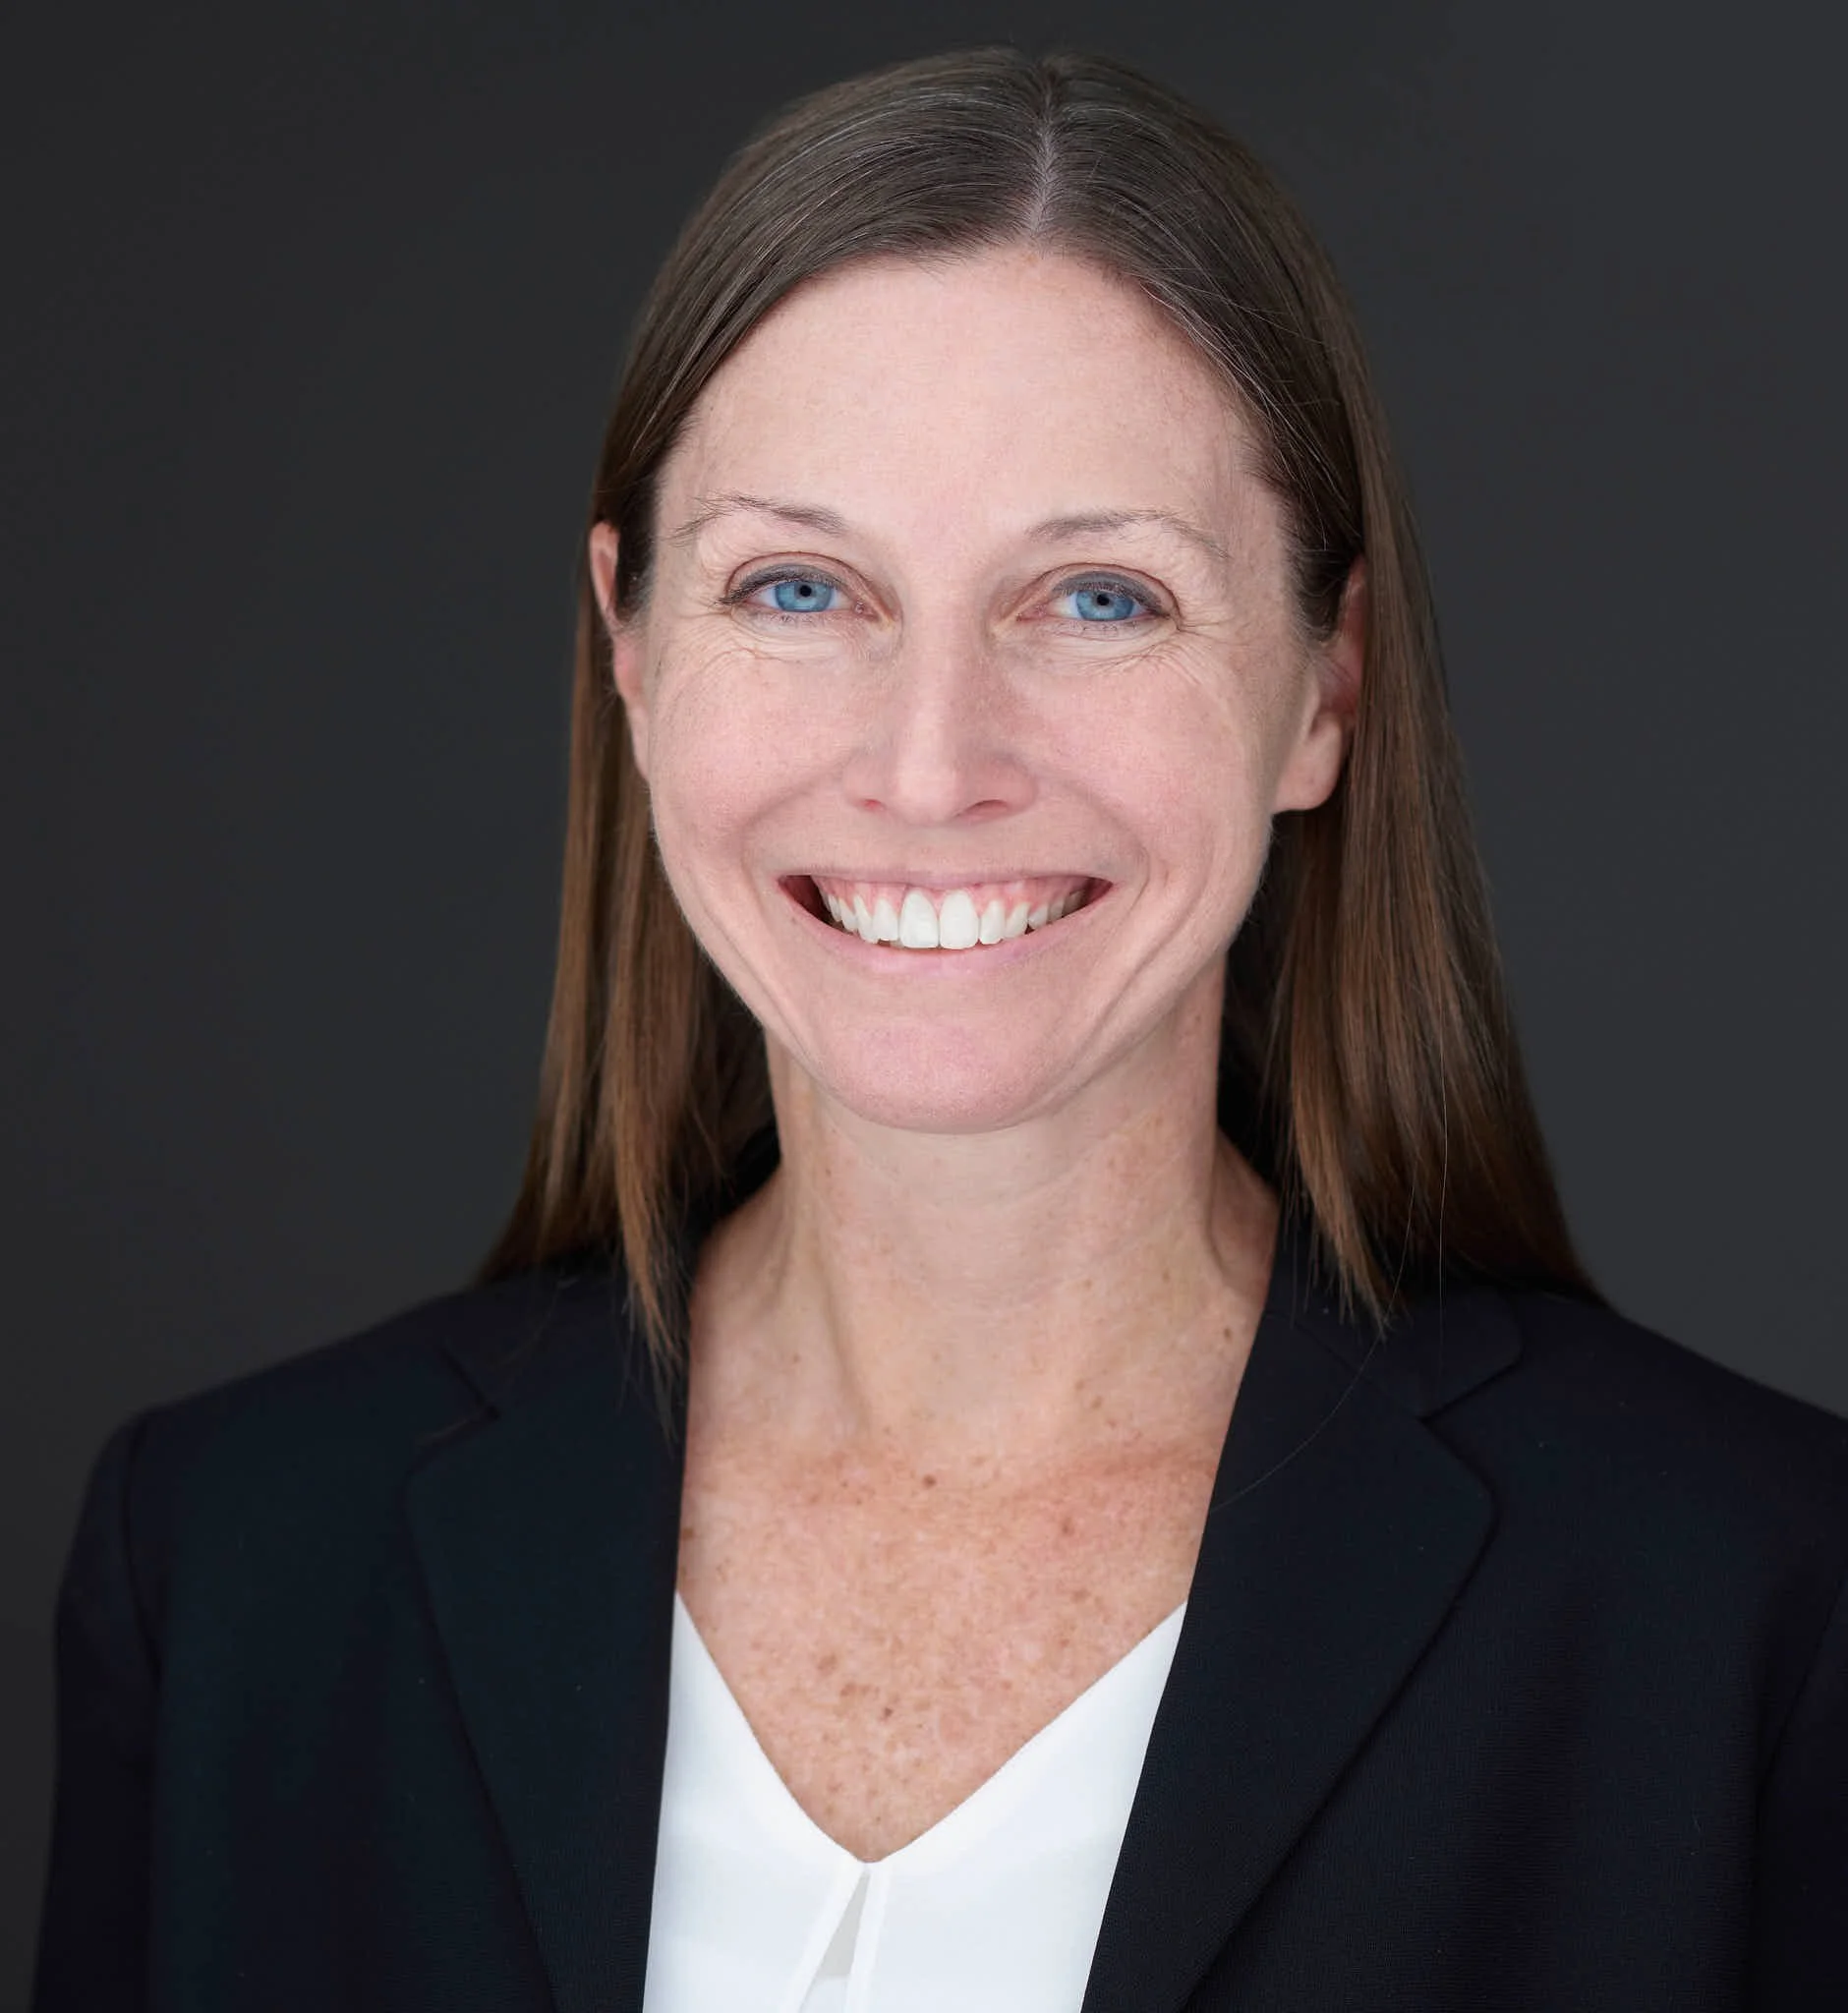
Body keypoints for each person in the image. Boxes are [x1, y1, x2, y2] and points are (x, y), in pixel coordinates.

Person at [31, 45, 1848, 2013]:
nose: (929, 763)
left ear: (1326, 690)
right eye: (800, 588)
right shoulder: (235, 1568)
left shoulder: (1752, 1612)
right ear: (629, 647)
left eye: (1098, 599)